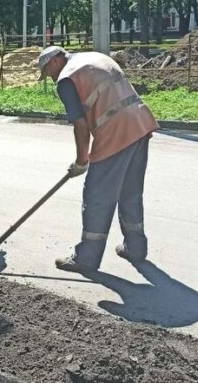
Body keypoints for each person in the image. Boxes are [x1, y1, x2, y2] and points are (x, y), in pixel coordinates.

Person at [37, 46, 159, 273]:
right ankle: (136, 247)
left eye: (48, 73)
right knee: (129, 191)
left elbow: (80, 124)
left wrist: (81, 160)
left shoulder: (66, 78)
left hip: (115, 132)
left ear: (54, 62)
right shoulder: (94, 57)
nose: (52, 79)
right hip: (140, 123)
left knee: (96, 196)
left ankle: (86, 258)